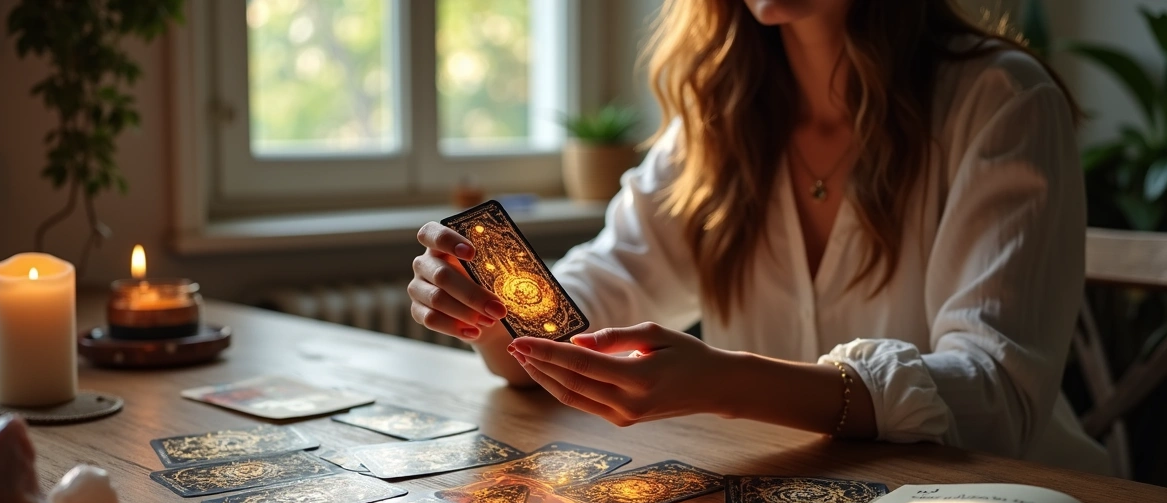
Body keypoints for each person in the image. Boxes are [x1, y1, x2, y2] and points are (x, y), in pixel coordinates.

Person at [408, 0, 1111, 474]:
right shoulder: (715, 122)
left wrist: (727, 383)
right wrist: (490, 310)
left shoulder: (1002, 102)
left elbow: (996, 399)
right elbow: (584, 314)